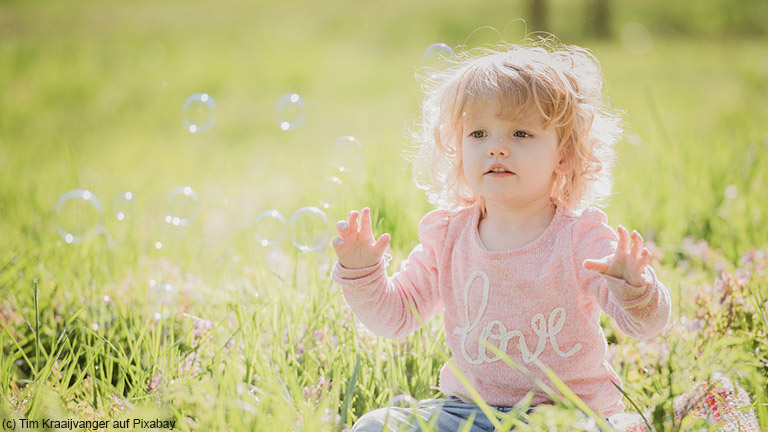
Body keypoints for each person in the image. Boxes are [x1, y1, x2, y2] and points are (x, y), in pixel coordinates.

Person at [330, 37, 671, 432]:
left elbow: (645, 326)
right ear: (456, 149)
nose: (496, 148)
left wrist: (634, 288)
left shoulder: (580, 239)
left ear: (563, 154)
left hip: (567, 416)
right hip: (469, 411)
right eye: (478, 134)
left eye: (520, 134)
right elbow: (397, 316)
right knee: (374, 426)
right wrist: (362, 273)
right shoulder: (449, 236)